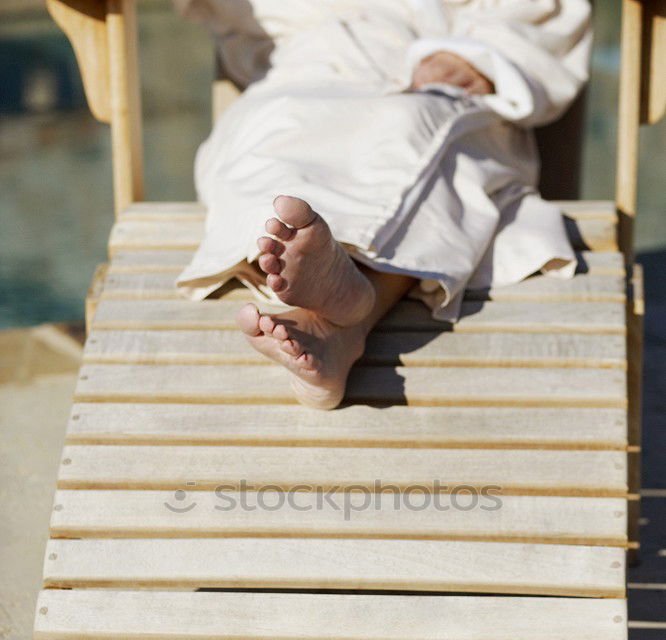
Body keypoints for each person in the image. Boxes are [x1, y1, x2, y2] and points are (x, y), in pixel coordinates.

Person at [173, 0, 592, 408]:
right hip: (306, 72)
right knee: (267, 150)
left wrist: (472, 58)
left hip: (435, 74)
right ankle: (341, 326)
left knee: (413, 139)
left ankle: (342, 304)